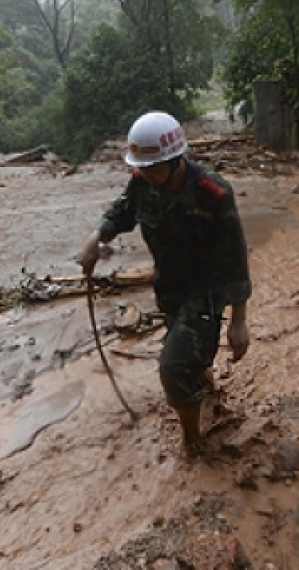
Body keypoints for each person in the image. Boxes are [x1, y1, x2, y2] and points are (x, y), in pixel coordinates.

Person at [76, 110, 251, 454]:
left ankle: (192, 442)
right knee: (190, 355)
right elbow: (123, 211)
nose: (149, 176)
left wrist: (240, 322)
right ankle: (205, 385)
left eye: (156, 168)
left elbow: (235, 258)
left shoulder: (212, 194)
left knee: (172, 368)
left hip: (206, 292)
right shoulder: (143, 182)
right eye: (144, 169)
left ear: (176, 159)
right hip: (169, 289)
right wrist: (95, 238)